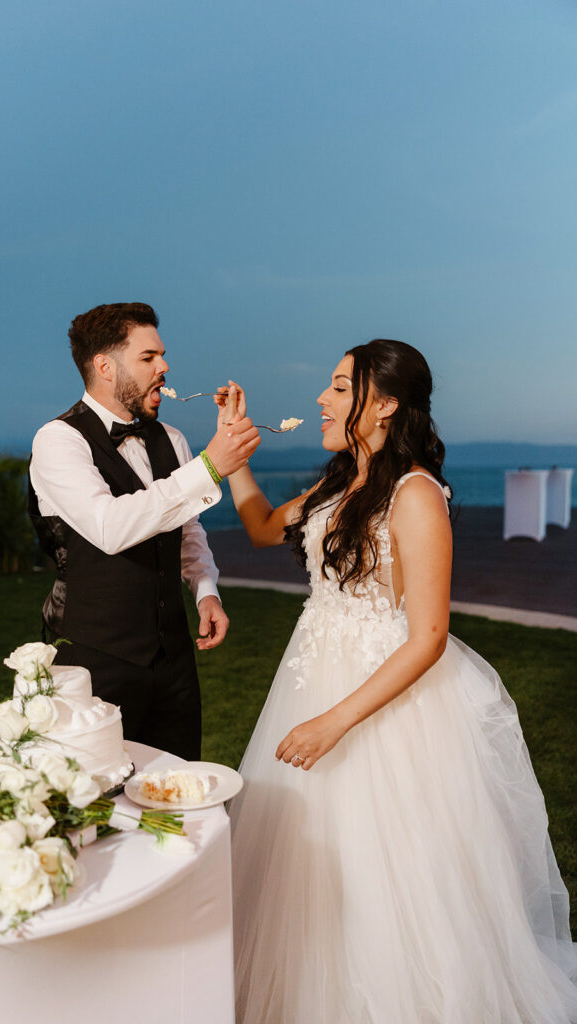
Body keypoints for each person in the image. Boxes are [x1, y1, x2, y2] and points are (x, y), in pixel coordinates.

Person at [220, 340, 577, 1023]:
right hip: (311, 676)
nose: (320, 400)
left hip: (381, 706)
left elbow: (429, 638)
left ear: (383, 404)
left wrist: (332, 721)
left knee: (386, 875)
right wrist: (233, 461)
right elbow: (263, 528)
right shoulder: (334, 486)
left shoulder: (414, 495)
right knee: (295, 867)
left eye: (335, 387)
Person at [28, 302, 259, 761]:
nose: (165, 367)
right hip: (93, 660)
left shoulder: (170, 439)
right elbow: (109, 527)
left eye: (163, 356)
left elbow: (186, 527)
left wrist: (205, 591)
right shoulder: (58, 440)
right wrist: (211, 466)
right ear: (105, 367)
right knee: (97, 799)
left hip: (173, 659)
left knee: (178, 791)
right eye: (148, 357)